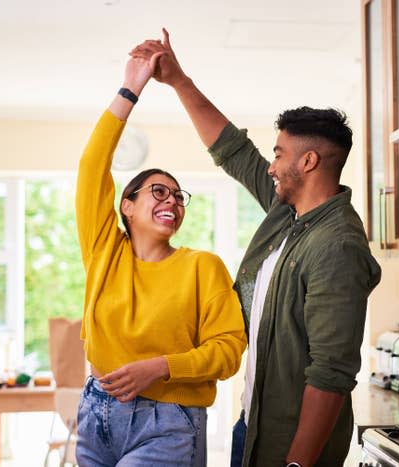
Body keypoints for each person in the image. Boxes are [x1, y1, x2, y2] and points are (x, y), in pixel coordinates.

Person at [131, 30, 382, 467]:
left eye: (280, 154)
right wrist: (177, 80)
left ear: (307, 163)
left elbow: (331, 375)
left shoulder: (336, 246)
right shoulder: (289, 213)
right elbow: (233, 150)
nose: (271, 165)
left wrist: (297, 465)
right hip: (254, 424)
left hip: (290, 446)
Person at [74, 51, 247, 467]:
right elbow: (91, 167)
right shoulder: (104, 253)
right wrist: (130, 90)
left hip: (168, 423)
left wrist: (160, 368)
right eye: (158, 191)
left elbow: (228, 350)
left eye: (177, 195)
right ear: (127, 207)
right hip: (96, 414)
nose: (172, 199)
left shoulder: (202, 267)